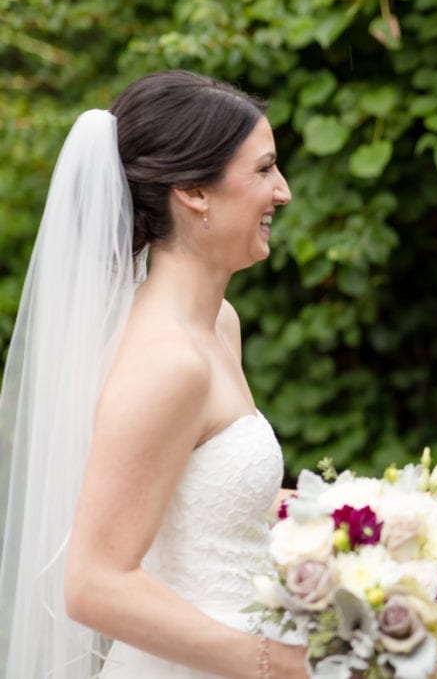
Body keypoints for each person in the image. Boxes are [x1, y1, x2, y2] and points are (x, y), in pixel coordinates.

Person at [0, 70, 309, 678]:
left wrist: (391, 517)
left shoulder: (219, 324)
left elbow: (198, 509)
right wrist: (279, 663)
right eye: (264, 168)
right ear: (194, 190)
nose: (284, 191)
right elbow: (93, 584)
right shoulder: (167, 361)